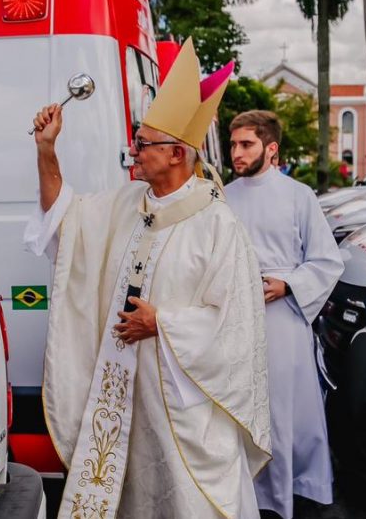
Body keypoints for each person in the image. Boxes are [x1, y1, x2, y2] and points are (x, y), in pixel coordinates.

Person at [23, 38, 271, 518]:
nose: (133, 150)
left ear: (178, 153)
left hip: (185, 410)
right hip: (126, 400)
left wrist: (163, 323)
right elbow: (63, 217)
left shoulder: (217, 225)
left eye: (143, 143)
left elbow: (238, 324)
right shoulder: (125, 204)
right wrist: (47, 149)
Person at [224, 110, 342, 518]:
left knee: (284, 409)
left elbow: (327, 260)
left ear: (271, 149)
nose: (236, 152)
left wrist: (288, 285)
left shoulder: (299, 196)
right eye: (234, 143)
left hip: (283, 319)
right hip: (236, 320)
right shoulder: (222, 196)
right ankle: (248, 494)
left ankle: (290, 492)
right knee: (242, 405)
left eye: (246, 144)